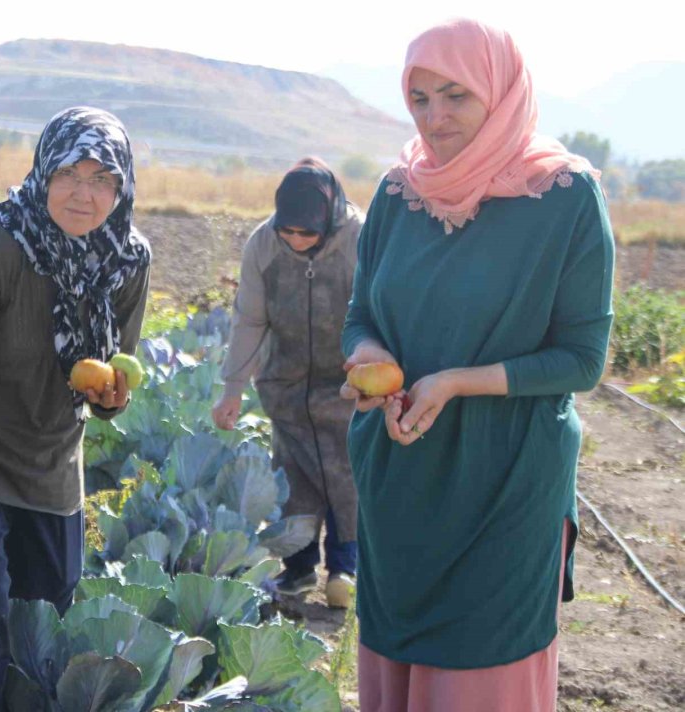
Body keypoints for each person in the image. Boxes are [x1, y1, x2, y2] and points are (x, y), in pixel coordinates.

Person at [340, 19, 614, 712]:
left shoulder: (565, 198)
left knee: (480, 667)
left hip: (505, 479)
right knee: (398, 654)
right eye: (420, 98)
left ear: (501, 90)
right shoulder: (399, 195)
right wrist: (370, 356)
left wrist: (459, 382)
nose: (435, 117)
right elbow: (361, 315)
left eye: (456, 94)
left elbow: (582, 360)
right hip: (401, 473)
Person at [0, 107, 151, 710]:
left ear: (122, 188)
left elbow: (112, 369)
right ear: (43, 172)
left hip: (50, 473)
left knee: (39, 654)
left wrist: (111, 399)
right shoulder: (0, 245)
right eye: (69, 174)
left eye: (102, 180)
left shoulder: (126, 260)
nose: (83, 195)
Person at [212, 157, 364, 608]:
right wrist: (233, 388)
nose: (296, 240)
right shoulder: (263, 244)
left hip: (349, 381)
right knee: (293, 476)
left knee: (345, 476)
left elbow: (382, 307)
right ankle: (299, 569)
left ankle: (345, 569)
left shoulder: (361, 238)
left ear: (329, 216)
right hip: (287, 381)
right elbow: (249, 319)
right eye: (288, 231)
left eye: (307, 233)